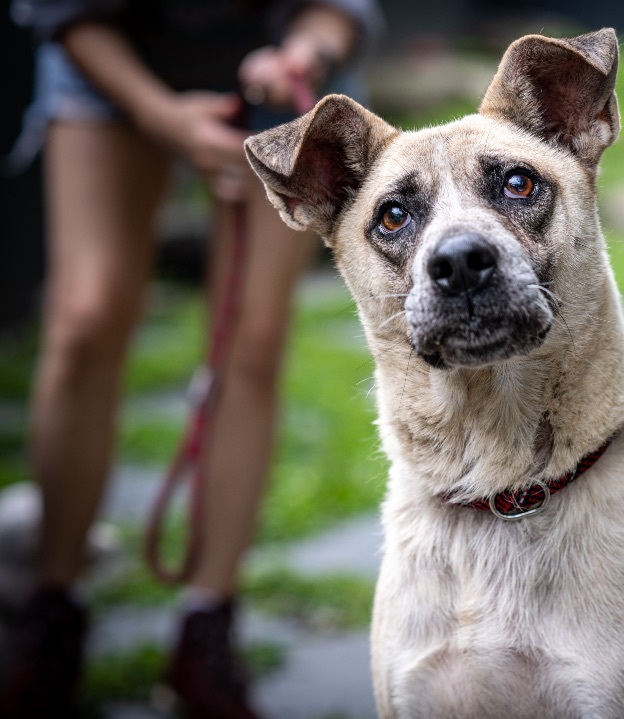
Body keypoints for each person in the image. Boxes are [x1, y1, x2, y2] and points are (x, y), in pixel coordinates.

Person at [0, 1, 381, 717]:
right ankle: (52, 608)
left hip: (280, 74)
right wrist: (161, 117)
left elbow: (341, 8)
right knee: (83, 320)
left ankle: (208, 624)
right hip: (110, 59)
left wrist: (305, 51)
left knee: (253, 337)